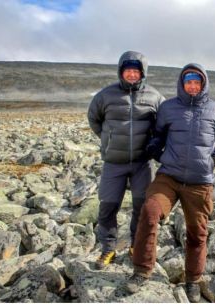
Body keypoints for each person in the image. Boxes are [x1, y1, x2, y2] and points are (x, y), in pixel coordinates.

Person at [124, 63, 215, 302]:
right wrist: (155, 150)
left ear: (204, 83)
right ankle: (142, 271)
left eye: (197, 82)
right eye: (188, 81)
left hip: (200, 183)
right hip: (169, 177)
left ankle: (193, 281)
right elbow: (158, 135)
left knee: (197, 234)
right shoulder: (168, 108)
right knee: (150, 211)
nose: (192, 86)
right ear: (182, 83)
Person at [88, 51, 165, 269]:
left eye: (136, 70)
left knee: (142, 207)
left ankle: (136, 245)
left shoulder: (155, 97)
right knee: (108, 206)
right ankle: (108, 248)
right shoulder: (105, 95)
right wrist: (109, 140)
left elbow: (163, 125)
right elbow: (94, 119)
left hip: (143, 163)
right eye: (127, 70)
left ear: (143, 73)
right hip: (114, 162)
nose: (132, 74)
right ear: (121, 71)